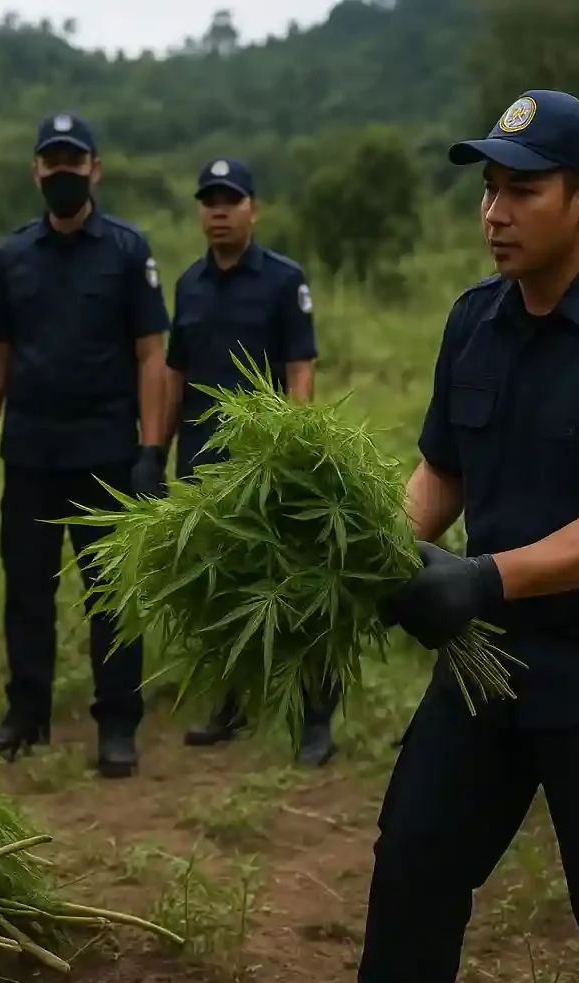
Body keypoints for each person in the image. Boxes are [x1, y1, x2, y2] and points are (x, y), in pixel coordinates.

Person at [358, 89, 579, 983]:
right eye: (489, 190)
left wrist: (489, 574)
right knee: (412, 871)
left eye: (523, 191)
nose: (495, 214)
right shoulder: (474, 323)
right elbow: (441, 471)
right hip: (485, 662)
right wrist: (378, 548)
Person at [0, 111, 170, 778]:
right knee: (26, 592)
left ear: (95, 169)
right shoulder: (12, 255)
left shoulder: (127, 251)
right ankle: (27, 714)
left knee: (112, 594)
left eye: (73, 162)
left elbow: (150, 356)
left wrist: (151, 450)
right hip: (28, 454)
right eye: (52, 163)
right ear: (36, 172)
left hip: (106, 453)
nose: (62, 174)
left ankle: (117, 725)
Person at [164, 157, 340, 768]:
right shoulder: (188, 285)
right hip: (203, 461)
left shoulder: (284, 281)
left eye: (230, 200)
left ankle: (316, 716)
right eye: (208, 200)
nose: (217, 210)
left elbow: (300, 368)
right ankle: (231, 705)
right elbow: (175, 372)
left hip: (266, 465)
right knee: (222, 587)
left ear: (253, 209)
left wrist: (293, 449)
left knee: (294, 585)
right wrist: (153, 450)